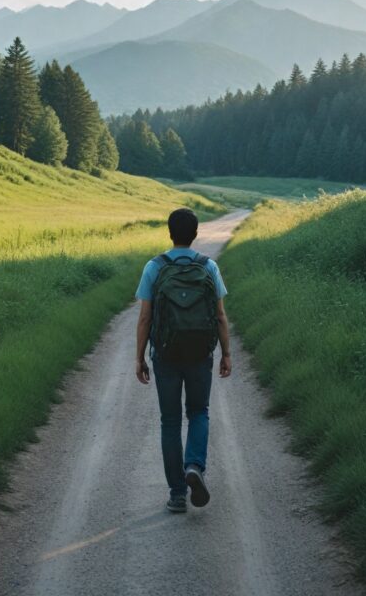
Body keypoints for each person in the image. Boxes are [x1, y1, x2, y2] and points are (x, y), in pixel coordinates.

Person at [135, 208, 232, 514]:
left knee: (170, 421)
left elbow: (145, 318)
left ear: (169, 233)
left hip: (165, 354)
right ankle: (194, 466)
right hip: (200, 353)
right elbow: (219, 316)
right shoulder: (209, 267)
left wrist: (139, 357)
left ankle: (177, 494)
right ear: (196, 233)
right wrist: (226, 353)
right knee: (199, 412)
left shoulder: (154, 267)